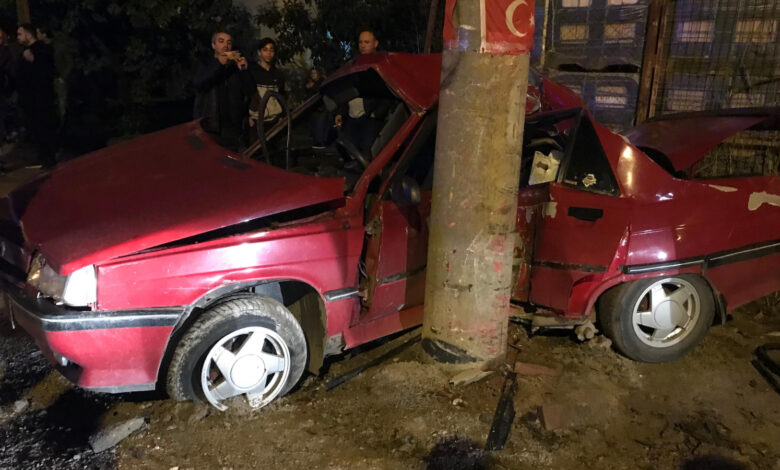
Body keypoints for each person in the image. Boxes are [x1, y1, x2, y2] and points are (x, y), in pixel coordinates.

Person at [193, 31, 253, 151]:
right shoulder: (205, 64)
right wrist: (219, 63)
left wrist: (244, 70)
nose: (226, 45)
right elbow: (200, 84)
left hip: (233, 129)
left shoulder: (234, 67)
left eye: (229, 42)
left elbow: (250, 90)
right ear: (213, 45)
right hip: (211, 127)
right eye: (221, 41)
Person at [337, 29, 389, 155]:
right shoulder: (354, 63)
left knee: (367, 153)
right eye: (361, 42)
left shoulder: (381, 64)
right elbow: (347, 89)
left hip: (369, 118)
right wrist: (340, 112)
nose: (363, 45)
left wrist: (377, 114)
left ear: (375, 43)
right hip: (351, 117)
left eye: (367, 42)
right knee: (349, 152)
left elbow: (388, 91)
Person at [16, 23, 57, 167]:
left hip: (40, 97)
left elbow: (47, 72)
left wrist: (33, 61)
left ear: (28, 34)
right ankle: (42, 156)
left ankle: (49, 157)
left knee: (44, 127)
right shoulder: (24, 52)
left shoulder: (42, 50)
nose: (18, 37)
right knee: (35, 128)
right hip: (29, 99)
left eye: (20, 34)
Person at [247, 37, 286, 131]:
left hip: (274, 120)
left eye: (271, 50)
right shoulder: (252, 71)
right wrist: (247, 116)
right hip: (256, 119)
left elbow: (282, 95)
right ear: (259, 52)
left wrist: (281, 115)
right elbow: (247, 94)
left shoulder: (278, 74)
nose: (269, 53)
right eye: (265, 50)